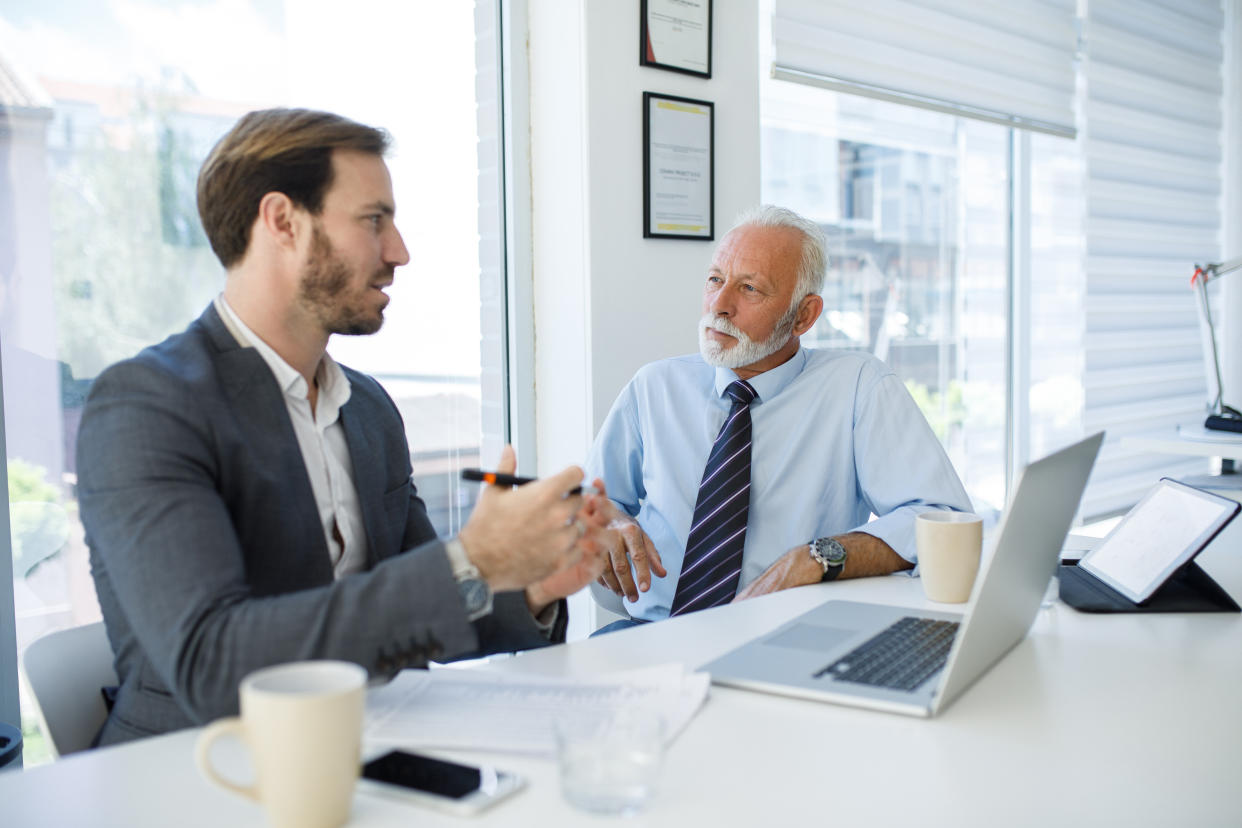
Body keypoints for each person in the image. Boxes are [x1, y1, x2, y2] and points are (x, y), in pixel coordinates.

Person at [77, 108, 608, 745]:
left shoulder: (368, 410)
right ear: (282, 222)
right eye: (373, 220)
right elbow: (211, 662)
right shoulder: (147, 405)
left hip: (376, 749)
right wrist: (474, 558)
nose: (400, 252)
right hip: (197, 773)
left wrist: (525, 586)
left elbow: (416, 616)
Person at [588, 205, 971, 629]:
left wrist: (819, 557)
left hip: (788, 634)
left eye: (750, 289)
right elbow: (592, 500)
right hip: (653, 632)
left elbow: (938, 517)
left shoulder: (859, 387)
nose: (720, 305)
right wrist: (608, 519)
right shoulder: (654, 387)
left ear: (803, 315)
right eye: (715, 280)